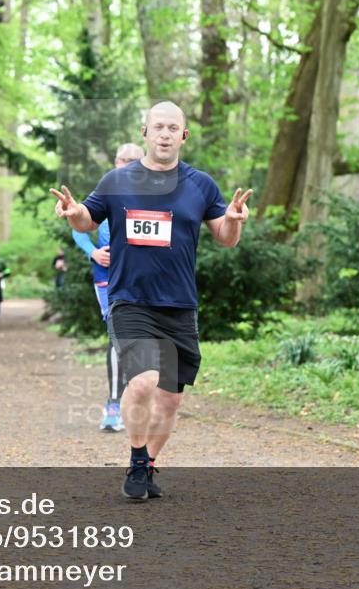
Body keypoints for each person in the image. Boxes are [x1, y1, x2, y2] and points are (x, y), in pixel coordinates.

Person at [50, 101, 252, 501]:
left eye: (172, 128)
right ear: (144, 132)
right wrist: (73, 214)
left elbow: (225, 239)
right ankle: (138, 457)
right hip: (130, 299)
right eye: (157, 126)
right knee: (142, 380)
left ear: (183, 136)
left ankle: (146, 464)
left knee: (172, 398)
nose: (164, 134)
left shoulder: (200, 185)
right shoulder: (117, 181)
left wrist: (231, 218)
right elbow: (87, 219)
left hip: (179, 303)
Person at [71, 142, 144, 432]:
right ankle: (113, 404)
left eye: (134, 161)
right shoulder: (105, 191)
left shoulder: (149, 194)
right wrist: (93, 252)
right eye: (123, 160)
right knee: (118, 336)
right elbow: (78, 228)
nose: (127, 165)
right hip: (106, 277)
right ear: (115, 161)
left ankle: (131, 397)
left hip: (139, 277)